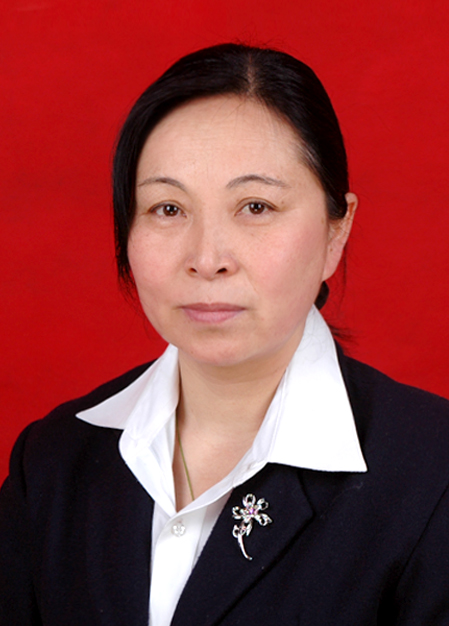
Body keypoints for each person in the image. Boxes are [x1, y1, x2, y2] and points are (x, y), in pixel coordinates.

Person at [1, 43, 449, 626]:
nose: (207, 258)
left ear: (336, 233)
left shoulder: (434, 473)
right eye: (167, 209)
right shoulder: (53, 462)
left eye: (256, 206)